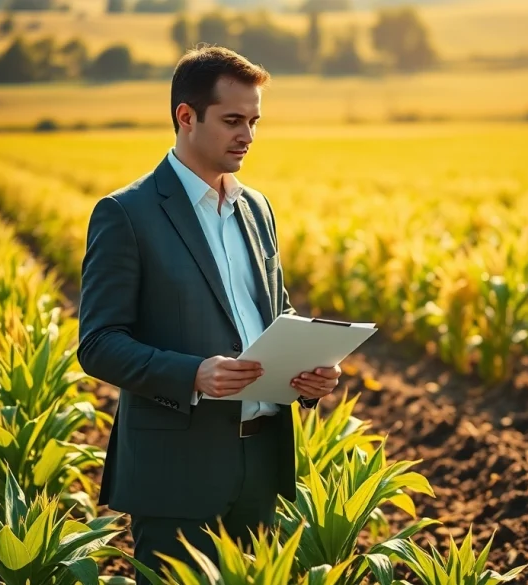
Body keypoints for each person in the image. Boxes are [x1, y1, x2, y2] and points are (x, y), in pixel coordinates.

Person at [76, 45, 341, 581]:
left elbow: (275, 310)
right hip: (176, 474)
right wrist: (193, 373)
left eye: (254, 121)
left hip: (262, 466)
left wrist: (310, 369)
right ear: (186, 117)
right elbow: (99, 344)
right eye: (232, 120)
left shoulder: (257, 207)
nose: (248, 135)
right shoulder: (125, 213)